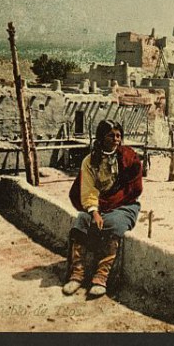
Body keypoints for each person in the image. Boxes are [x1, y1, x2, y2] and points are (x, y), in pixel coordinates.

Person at [63, 120, 143, 297]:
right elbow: (88, 189)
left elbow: (134, 187)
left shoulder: (129, 156)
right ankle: (77, 274)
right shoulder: (90, 161)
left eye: (118, 135)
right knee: (82, 220)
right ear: (101, 137)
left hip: (125, 203)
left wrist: (110, 205)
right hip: (99, 202)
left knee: (114, 224)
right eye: (111, 135)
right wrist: (94, 211)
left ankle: (101, 275)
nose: (116, 139)